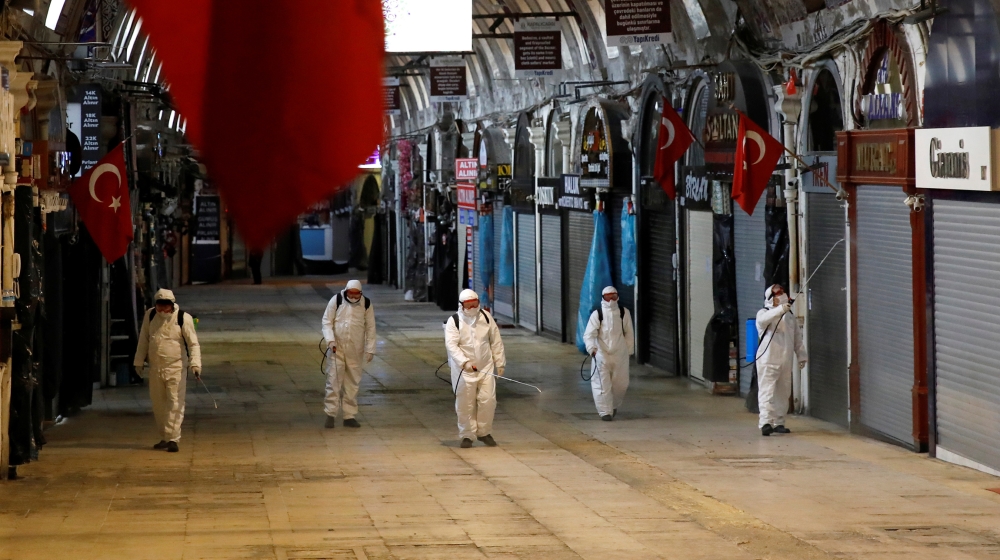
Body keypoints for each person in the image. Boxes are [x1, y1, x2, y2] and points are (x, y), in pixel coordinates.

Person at [134, 288, 202, 453]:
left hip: (176, 368)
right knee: (158, 404)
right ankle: (165, 436)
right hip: (156, 368)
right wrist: (138, 361)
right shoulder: (150, 316)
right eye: (160, 306)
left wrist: (195, 364)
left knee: (175, 402)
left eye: (166, 306)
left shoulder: (182, 318)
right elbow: (143, 339)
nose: (163, 310)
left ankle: (173, 438)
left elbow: (193, 344)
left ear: (172, 305)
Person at [443, 289, 506, 448]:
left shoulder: (485, 317)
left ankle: (484, 432)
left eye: (474, 304)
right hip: (463, 371)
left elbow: (495, 340)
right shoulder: (454, 321)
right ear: (461, 305)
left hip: (485, 367)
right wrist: (464, 363)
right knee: (465, 403)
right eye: (468, 304)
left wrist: (500, 362)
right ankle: (467, 435)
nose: (471, 308)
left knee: (488, 400)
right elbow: (452, 346)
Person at [322, 279, 376, 428]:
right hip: (336, 349)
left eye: (356, 295)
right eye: (350, 294)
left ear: (360, 294)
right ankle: (330, 414)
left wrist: (370, 348)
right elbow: (327, 321)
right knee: (333, 381)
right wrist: (330, 340)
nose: (353, 297)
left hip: (355, 349)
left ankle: (349, 415)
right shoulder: (336, 300)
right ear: (346, 291)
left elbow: (371, 327)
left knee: (353, 382)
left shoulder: (366, 304)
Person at [755, 284, 807, 436]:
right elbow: (764, 321)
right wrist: (781, 309)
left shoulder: (789, 316)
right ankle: (765, 422)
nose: (782, 293)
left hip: (785, 361)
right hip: (768, 360)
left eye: (783, 291)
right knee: (767, 392)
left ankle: (779, 422)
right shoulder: (763, 313)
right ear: (771, 297)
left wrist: (801, 355)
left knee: (783, 393)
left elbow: (797, 338)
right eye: (778, 292)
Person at [584, 286, 635, 421]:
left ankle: (613, 405)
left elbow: (629, 333)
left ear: (617, 296)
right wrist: (592, 348)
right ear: (603, 297)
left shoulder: (624, 313)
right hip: (602, 354)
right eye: (608, 296)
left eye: (613, 296)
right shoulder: (597, 314)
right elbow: (589, 334)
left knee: (621, 384)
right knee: (602, 384)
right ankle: (604, 411)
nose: (611, 299)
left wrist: (629, 351)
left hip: (620, 354)